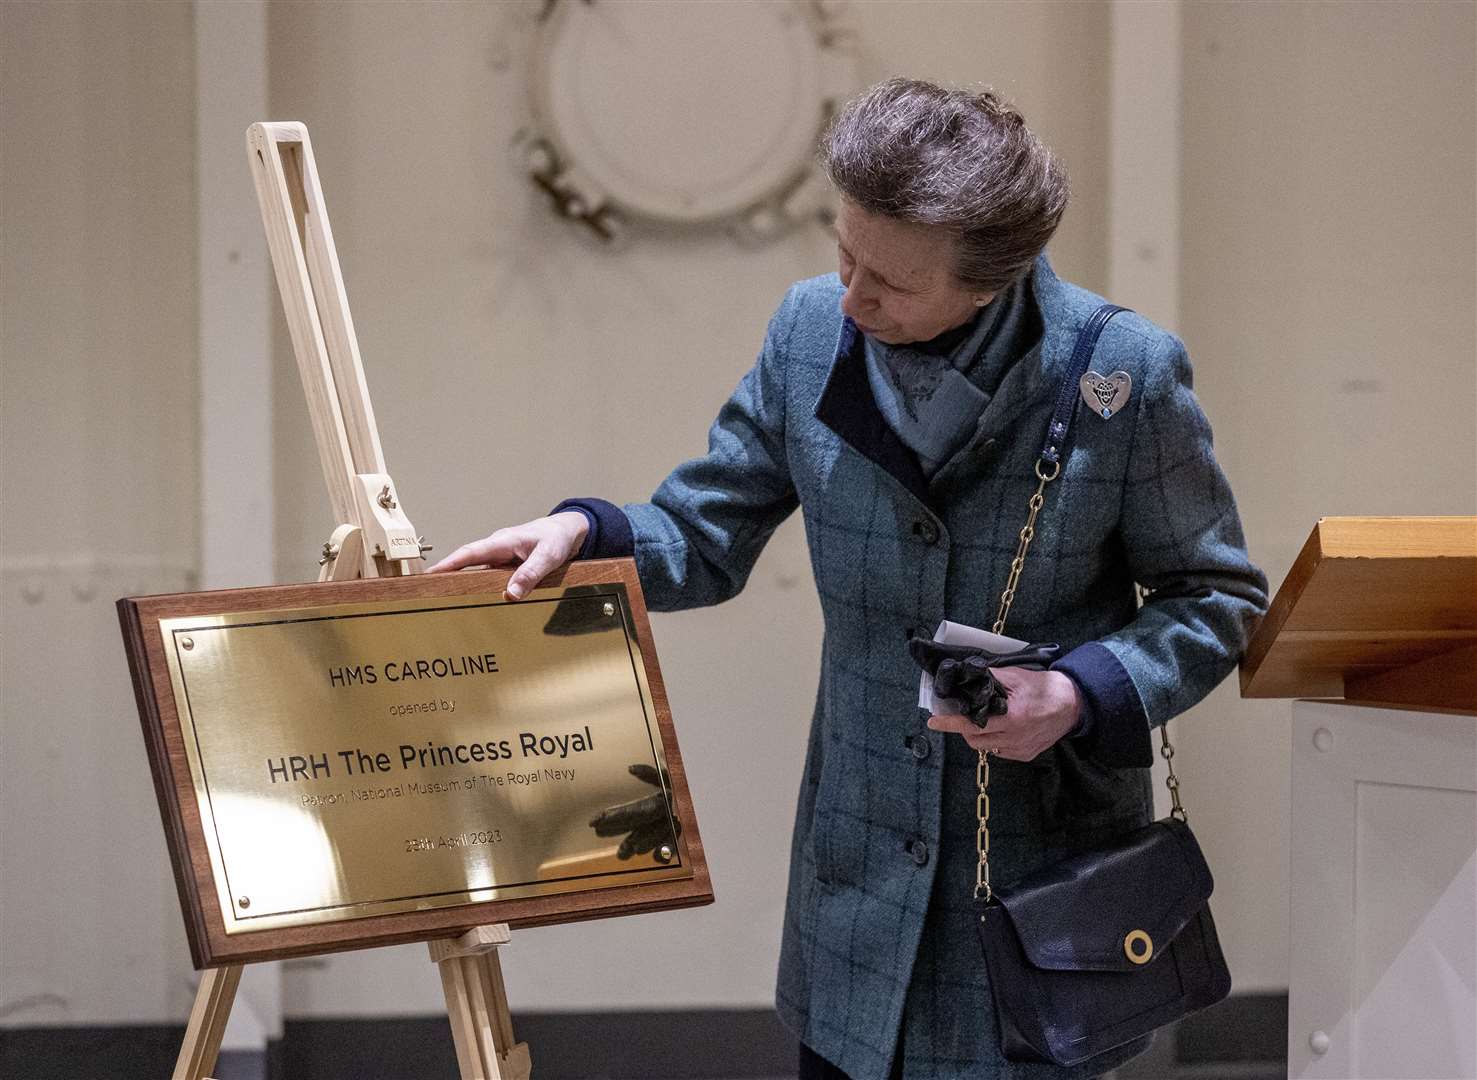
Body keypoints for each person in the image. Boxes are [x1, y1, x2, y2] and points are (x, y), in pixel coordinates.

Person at [431, 78, 1268, 1080]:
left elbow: (1214, 598)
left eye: (894, 283)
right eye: (844, 253)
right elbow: (703, 531)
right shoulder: (808, 332)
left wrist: (1080, 692)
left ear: (991, 280)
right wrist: (583, 531)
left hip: (1041, 893)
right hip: (854, 882)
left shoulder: (1120, 374)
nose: (855, 295)